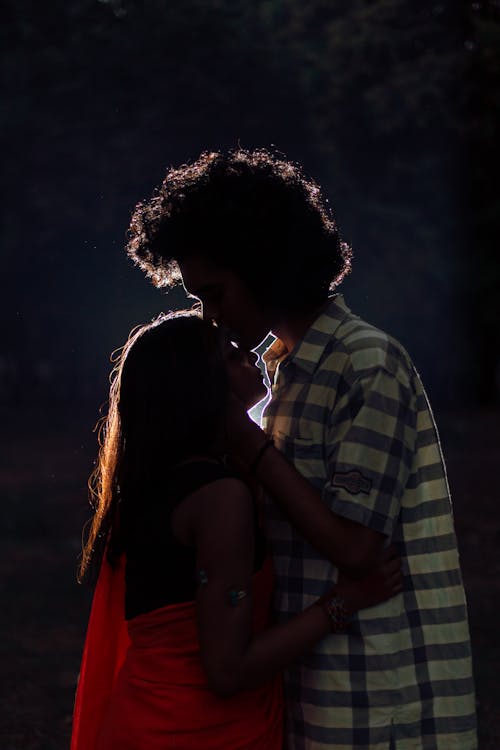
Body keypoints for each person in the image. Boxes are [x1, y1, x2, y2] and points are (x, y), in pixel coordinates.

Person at [126, 148, 478, 749]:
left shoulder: (366, 362)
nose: (207, 317)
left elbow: (360, 548)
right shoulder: (277, 373)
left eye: (215, 292)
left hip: (377, 691)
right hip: (306, 690)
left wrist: (249, 445)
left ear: (264, 266)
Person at [71, 311, 402, 750]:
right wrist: (344, 603)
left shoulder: (160, 483)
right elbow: (228, 670)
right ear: (203, 388)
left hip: (157, 719)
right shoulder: (218, 497)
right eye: (230, 354)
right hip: (191, 731)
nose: (250, 353)